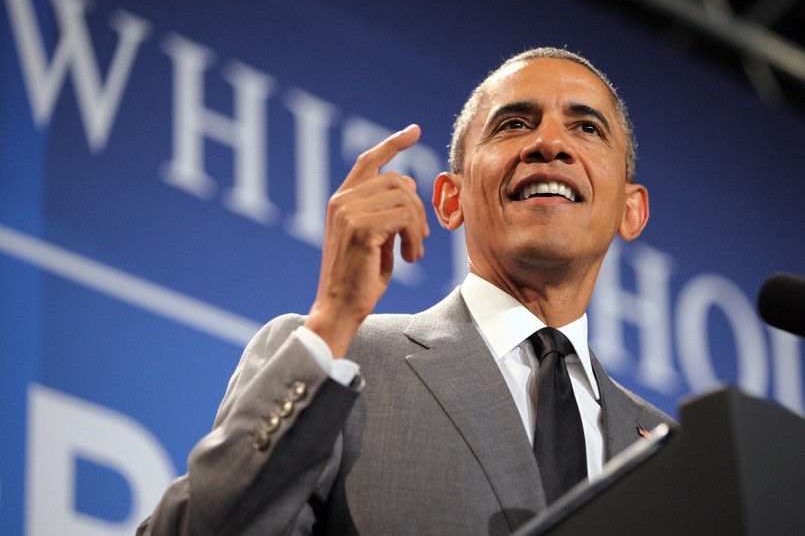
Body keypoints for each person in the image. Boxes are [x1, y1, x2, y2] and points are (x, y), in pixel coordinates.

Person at [138, 47, 675, 535]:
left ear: (632, 211)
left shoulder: (674, 451)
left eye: (586, 128)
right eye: (514, 123)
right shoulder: (337, 360)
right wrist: (330, 323)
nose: (550, 144)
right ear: (450, 199)